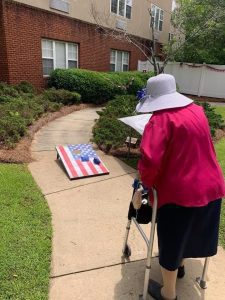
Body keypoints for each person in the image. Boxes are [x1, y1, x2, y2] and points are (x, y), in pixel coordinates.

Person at [136, 74, 225, 300]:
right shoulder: (197, 111)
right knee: (191, 233)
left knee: (172, 239)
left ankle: (168, 293)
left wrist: (143, 186)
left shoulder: (159, 120)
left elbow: (150, 162)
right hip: (211, 185)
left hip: (180, 192)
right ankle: (181, 266)